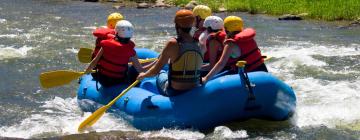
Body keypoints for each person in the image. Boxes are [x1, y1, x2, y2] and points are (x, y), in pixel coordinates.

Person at [137, 9, 203, 97]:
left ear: (177, 24)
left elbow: (155, 71)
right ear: (192, 24)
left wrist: (143, 75)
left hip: (174, 91)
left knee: (162, 73)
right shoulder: (199, 43)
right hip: (194, 87)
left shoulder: (173, 43)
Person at [202, 16, 268, 84]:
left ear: (226, 29)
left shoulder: (230, 44)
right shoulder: (250, 38)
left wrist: (206, 78)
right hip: (262, 70)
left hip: (250, 75)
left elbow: (221, 64)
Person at [85, 20, 146, 87]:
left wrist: (87, 70)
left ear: (116, 32)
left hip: (103, 79)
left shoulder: (106, 44)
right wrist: (154, 65)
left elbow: (95, 61)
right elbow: (140, 70)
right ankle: (135, 89)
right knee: (132, 69)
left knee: (129, 66)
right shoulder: (131, 51)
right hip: (118, 81)